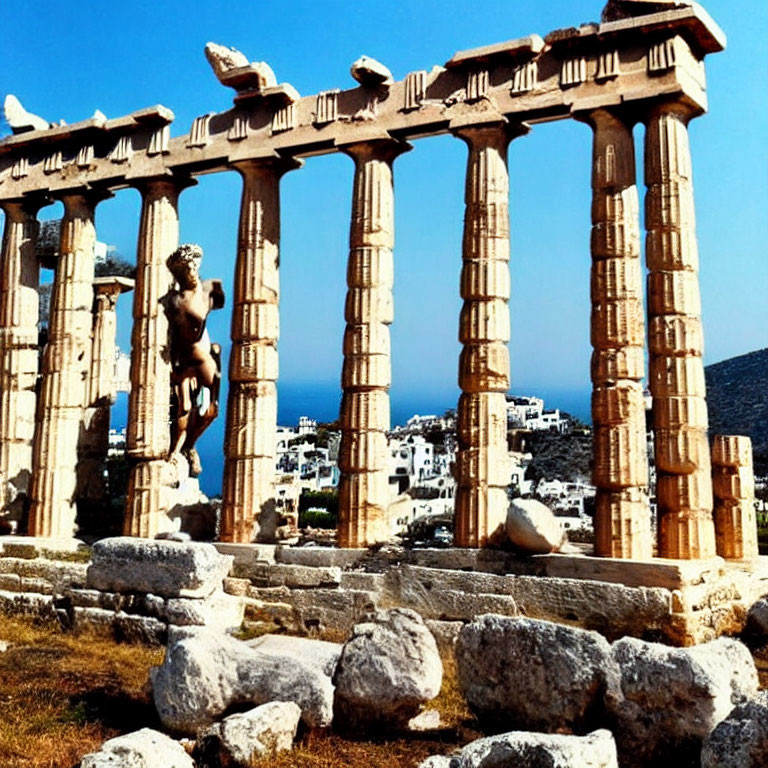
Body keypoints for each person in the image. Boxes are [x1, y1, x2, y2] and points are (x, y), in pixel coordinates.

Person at [164, 243, 224, 476]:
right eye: (189, 267)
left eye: (196, 266)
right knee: (184, 409)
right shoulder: (173, 300)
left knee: (211, 410)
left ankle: (190, 444)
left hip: (206, 358)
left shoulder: (209, 289)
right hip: (183, 361)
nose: (194, 271)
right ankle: (176, 450)